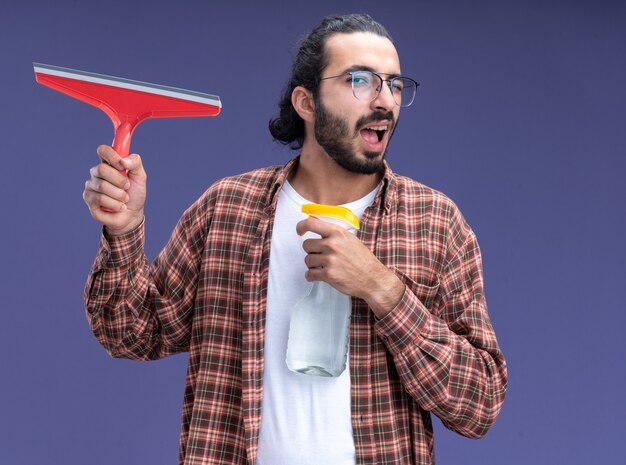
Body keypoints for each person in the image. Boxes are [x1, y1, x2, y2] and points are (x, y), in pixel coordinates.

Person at [83, 13, 507, 465]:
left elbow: (478, 406)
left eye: (395, 84)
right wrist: (124, 230)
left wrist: (382, 288)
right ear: (305, 102)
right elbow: (130, 332)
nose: (385, 100)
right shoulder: (227, 209)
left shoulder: (434, 223)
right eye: (360, 80)